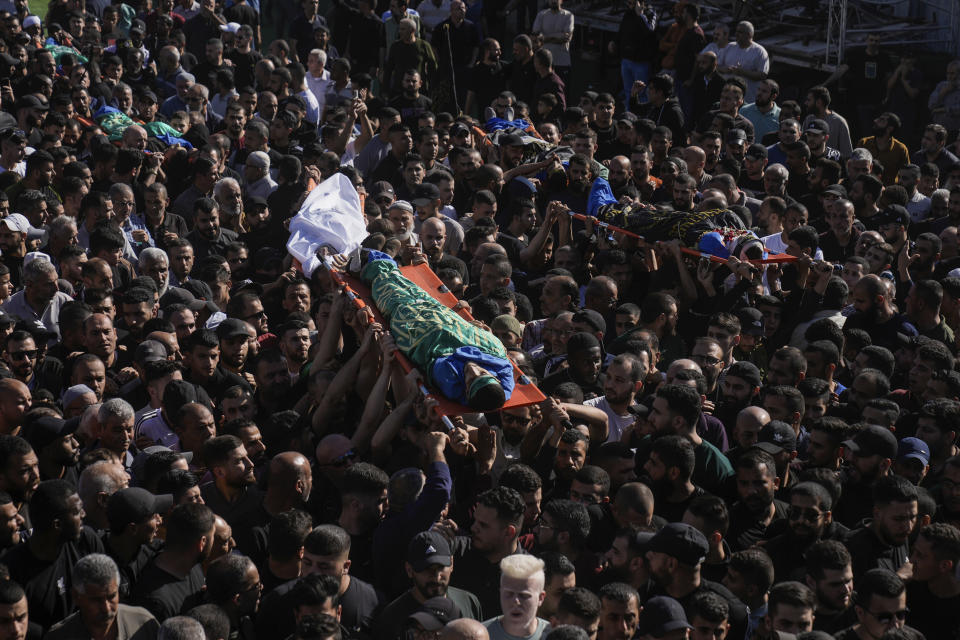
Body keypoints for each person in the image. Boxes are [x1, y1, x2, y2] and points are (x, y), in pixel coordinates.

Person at [483, 555, 549, 640]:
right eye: (509, 594)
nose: (515, 601)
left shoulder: (555, 636)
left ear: (541, 598)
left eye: (523, 595)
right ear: (500, 593)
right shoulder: (480, 636)